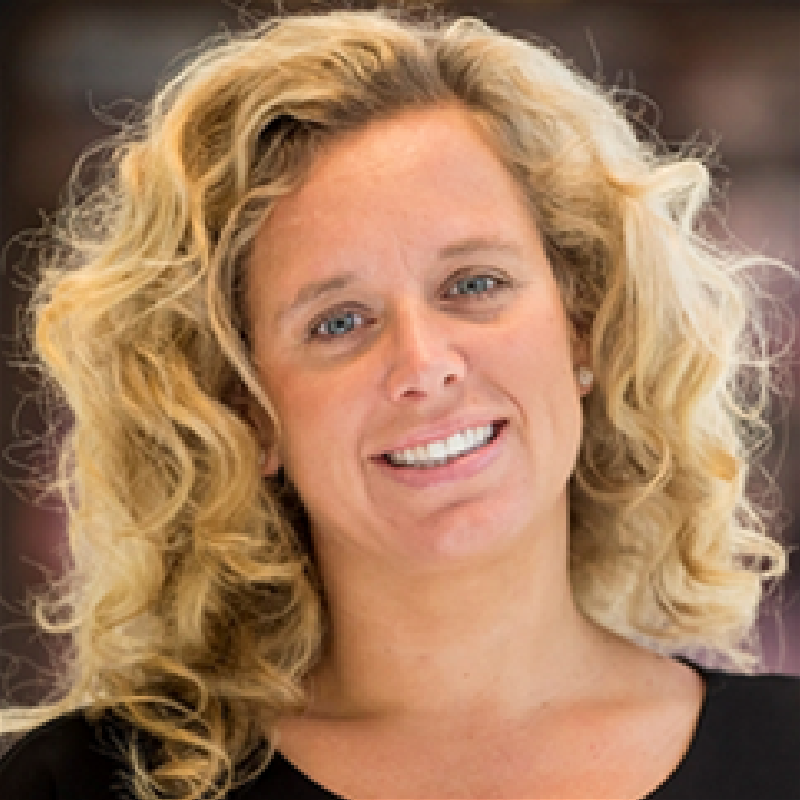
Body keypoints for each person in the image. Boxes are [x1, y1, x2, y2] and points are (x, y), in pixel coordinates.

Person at [1, 6, 798, 799]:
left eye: (474, 284)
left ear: (583, 325)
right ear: (245, 409)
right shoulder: (84, 785)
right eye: (338, 322)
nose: (424, 365)